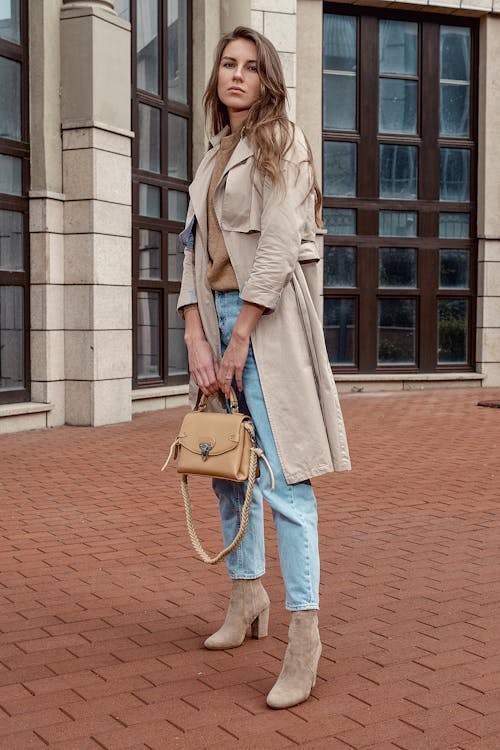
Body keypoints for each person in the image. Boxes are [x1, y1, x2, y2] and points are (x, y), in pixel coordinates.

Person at [177, 26, 351, 709]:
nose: (238, 75)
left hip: (267, 326)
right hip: (215, 318)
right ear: (217, 76)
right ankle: (247, 598)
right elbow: (188, 247)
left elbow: (279, 240)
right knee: (226, 469)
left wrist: (240, 332)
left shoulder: (284, 141)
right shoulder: (214, 153)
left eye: (251, 67)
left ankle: (304, 637)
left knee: (283, 481)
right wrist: (195, 331)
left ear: (267, 78)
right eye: (228, 64)